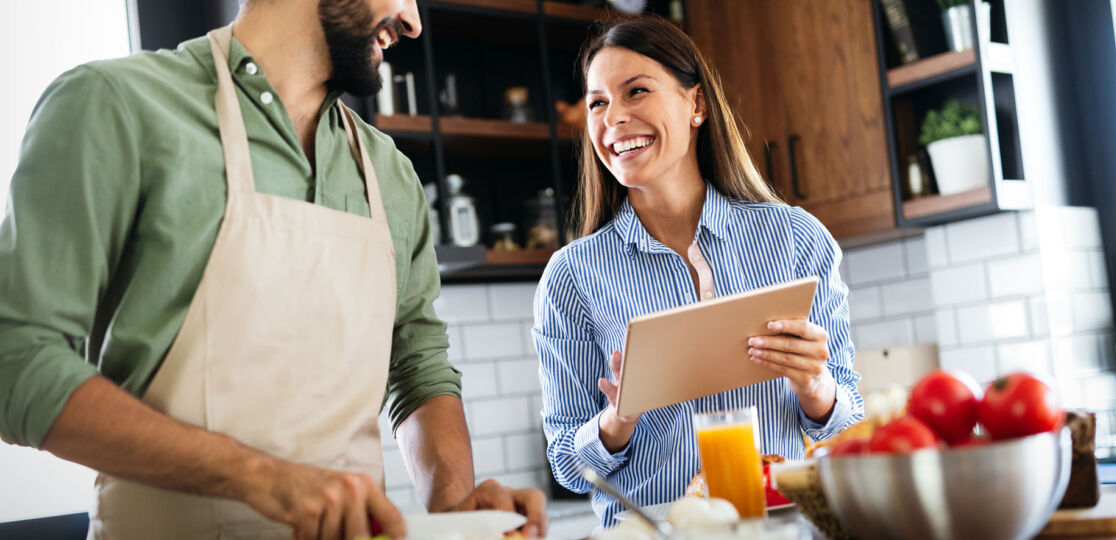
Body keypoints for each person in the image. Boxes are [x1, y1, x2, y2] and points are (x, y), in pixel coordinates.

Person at [0, 0, 547, 538]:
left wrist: (460, 513)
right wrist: (262, 477)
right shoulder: (116, 105)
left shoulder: (389, 174)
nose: (412, 20)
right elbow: (16, 363)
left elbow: (417, 367)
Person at [533, 16, 864, 527]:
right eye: (598, 102)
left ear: (697, 104)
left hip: (776, 531)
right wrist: (618, 419)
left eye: (636, 91)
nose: (613, 117)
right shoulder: (572, 276)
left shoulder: (795, 239)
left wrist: (815, 386)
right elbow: (568, 468)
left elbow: (847, 428)